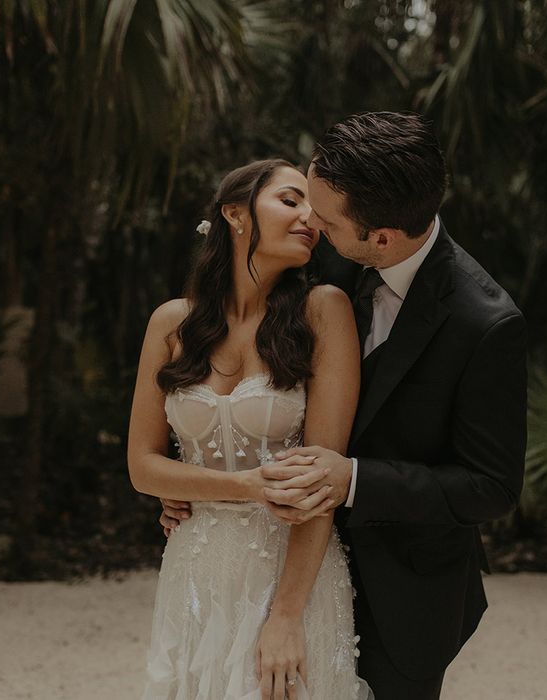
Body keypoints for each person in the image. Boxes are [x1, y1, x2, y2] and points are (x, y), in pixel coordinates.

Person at [162, 112, 528, 699]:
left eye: (325, 220)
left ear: (379, 238)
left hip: (404, 589)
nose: (309, 223)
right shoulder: (324, 256)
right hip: (278, 558)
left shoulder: (484, 324)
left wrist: (353, 479)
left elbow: (491, 486)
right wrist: (207, 475)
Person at [128, 159, 373, 700]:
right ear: (235, 213)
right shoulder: (171, 323)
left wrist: (286, 616)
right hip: (195, 568)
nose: (309, 216)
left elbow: (319, 483)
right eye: (291, 200)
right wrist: (246, 487)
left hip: (293, 566)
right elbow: (143, 467)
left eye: (314, 207)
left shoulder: (322, 310)